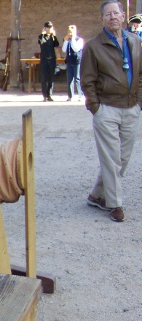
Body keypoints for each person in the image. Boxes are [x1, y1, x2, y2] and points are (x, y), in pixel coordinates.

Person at [81, 0, 142, 222]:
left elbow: (141, 74)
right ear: (102, 19)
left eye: (116, 13)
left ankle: (97, 194)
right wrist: (95, 107)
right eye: (108, 14)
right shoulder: (93, 46)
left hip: (131, 107)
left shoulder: (135, 41)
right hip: (106, 109)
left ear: (123, 16)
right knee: (111, 159)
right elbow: (87, 81)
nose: (113, 17)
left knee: (122, 159)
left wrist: (139, 101)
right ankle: (115, 204)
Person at [38, 21, 60, 101]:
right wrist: (43, 34)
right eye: (48, 27)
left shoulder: (52, 37)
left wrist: (54, 36)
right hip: (44, 59)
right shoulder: (41, 36)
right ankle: (44, 96)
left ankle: (49, 95)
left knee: (51, 78)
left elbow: (57, 44)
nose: (49, 29)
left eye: (51, 27)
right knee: (44, 78)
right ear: (45, 28)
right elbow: (41, 43)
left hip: (52, 59)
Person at [62, 25, 84, 101]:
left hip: (77, 61)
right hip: (69, 61)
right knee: (69, 79)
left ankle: (80, 95)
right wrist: (65, 41)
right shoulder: (68, 41)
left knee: (77, 78)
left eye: (71, 32)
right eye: (69, 32)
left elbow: (75, 49)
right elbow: (64, 50)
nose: (70, 34)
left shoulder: (79, 40)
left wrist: (73, 39)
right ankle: (70, 96)